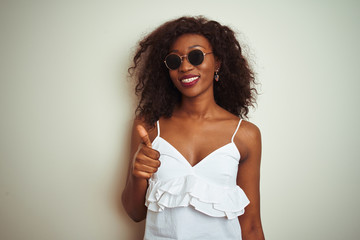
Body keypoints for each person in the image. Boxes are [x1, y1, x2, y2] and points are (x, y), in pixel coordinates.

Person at [122, 16, 265, 240]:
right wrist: (137, 173)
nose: (185, 67)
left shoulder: (245, 135)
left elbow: (252, 226)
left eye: (196, 56)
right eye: (174, 61)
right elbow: (134, 213)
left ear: (217, 61)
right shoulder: (148, 126)